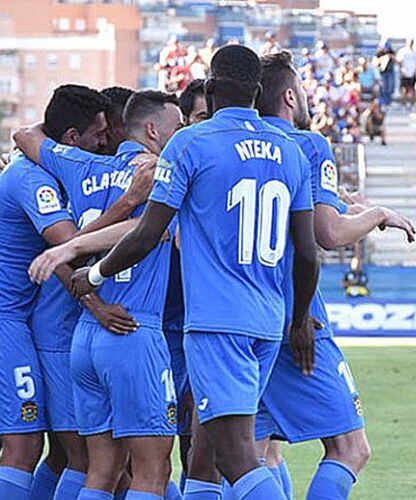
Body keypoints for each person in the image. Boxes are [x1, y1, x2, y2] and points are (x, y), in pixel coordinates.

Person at [69, 44, 320, 500]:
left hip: (216, 324)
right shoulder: (291, 150)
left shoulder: (191, 142)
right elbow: (307, 253)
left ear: (212, 85)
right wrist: (299, 318)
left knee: (238, 457)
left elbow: (147, 233)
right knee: (210, 456)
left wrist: (95, 275)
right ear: (258, 90)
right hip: (267, 322)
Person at [0, 84, 135, 500]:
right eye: (98, 133)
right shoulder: (34, 180)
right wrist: (98, 304)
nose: (105, 141)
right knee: (26, 444)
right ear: (70, 139)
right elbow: (66, 250)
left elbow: (28, 134)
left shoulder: (41, 166)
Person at [254, 50, 416, 500]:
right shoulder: (308, 145)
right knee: (350, 448)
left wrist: (345, 203)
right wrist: (378, 214)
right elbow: (327, 234)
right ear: (290, 95)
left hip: (240, 316)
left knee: (247, 455)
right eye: (303, 88)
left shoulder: (232, 145)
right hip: (294, 312)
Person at [17, 89, 184, 499]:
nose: (182, 134)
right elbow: (153, 231)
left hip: (87, 336)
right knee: (152, 470)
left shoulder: (82, 164)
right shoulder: (162, 173)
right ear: (152, 130)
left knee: (102, 469)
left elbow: (27, 135)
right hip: (133, 329)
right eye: (177, 127)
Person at [396, 39, 416, 107]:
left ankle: (412, 104)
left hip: (412, 73)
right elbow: (399, 62)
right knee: (404, 89)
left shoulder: (415, 53)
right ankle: (404, 104)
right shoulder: (402, 51)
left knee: (412, 89)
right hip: (405, 72)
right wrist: (402, 70)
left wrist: (415, 71)